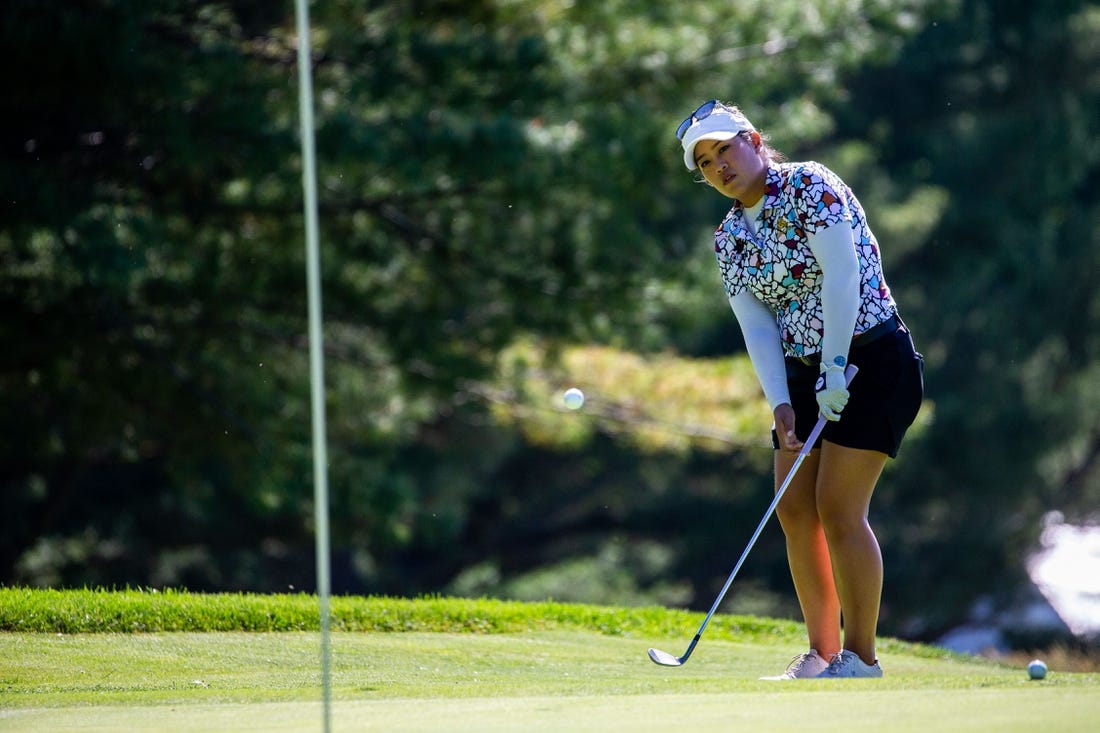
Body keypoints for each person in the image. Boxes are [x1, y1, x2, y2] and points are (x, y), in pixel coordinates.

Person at [676, 100, 924, 679]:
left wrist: (836, 369)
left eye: (725, 149)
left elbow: (842, 278)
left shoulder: (812, 186)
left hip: (873, 359)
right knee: (794, 509)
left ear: (755, 140)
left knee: (838, 508)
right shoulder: (730, 235)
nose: (720, 167)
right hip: (804, 371)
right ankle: (822, 653)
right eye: (706, 163)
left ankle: (862, 658)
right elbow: (756, 325)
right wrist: (782, 403)